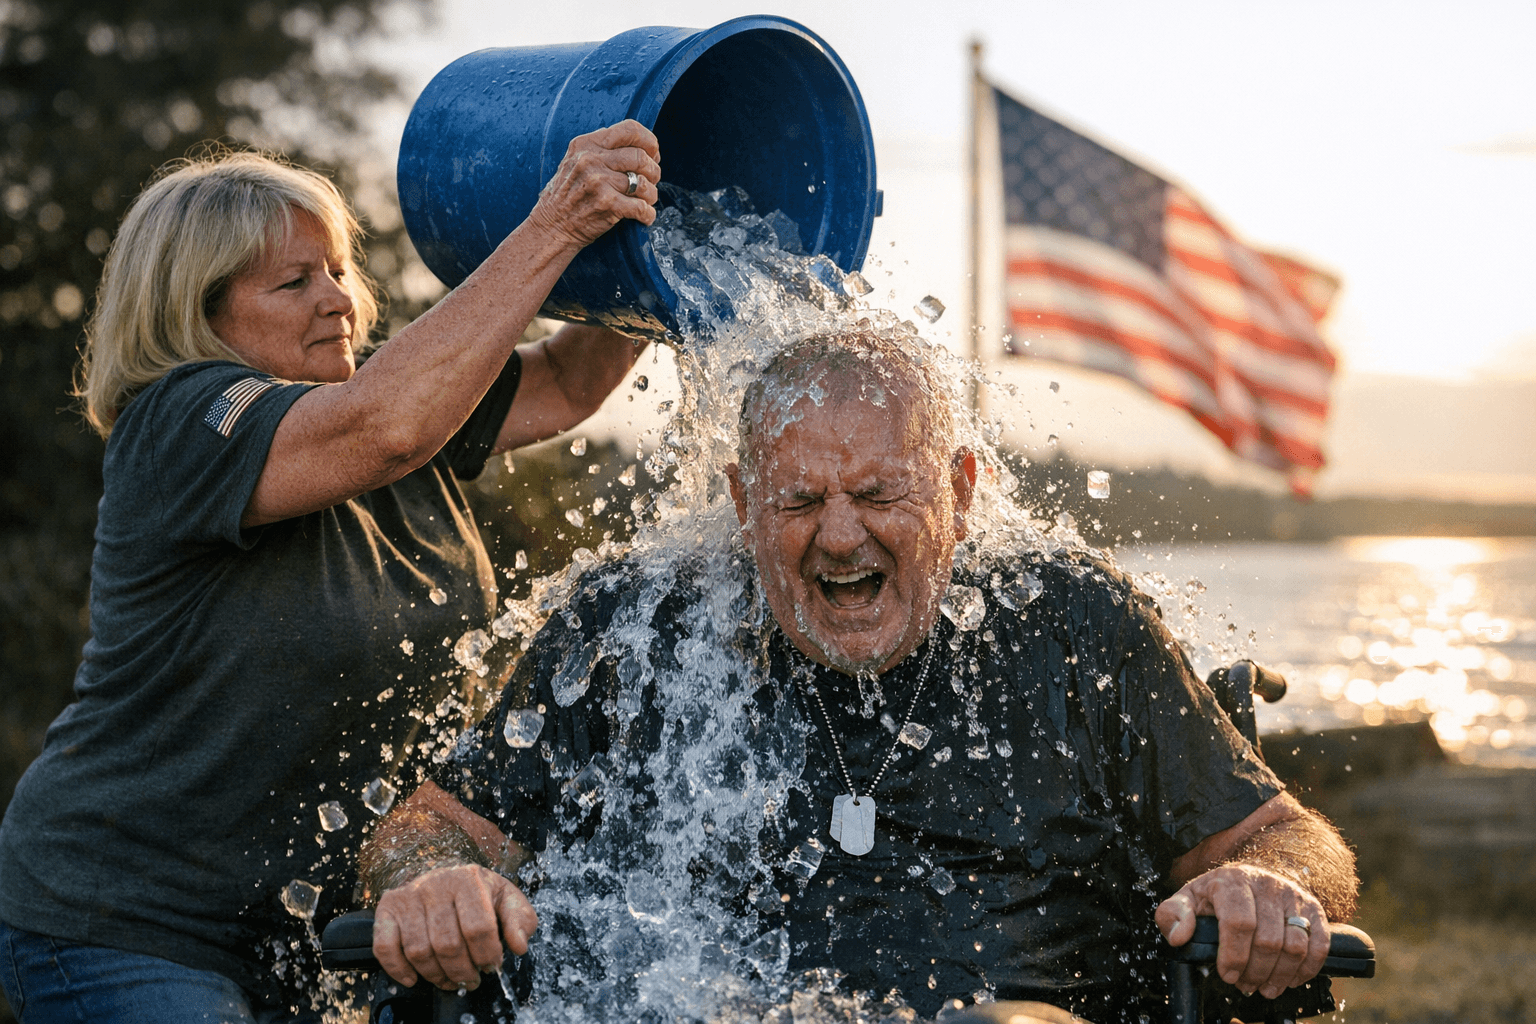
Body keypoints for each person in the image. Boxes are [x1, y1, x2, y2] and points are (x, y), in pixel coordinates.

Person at [356, 330, 1360, 1024]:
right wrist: (432, 878)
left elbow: (1281, 835)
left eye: (880, 493)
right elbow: (432, 823)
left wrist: (1271, 885)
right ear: (744, 501)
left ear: (961, 492)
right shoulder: (640, 629)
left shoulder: (1069, 621)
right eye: (800, 501)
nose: (841, 536)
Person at [0, 121, 661, 1023]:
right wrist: (557, 224)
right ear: (199, 313)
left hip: (298, 937)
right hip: (124, 920)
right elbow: (383, 424)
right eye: (293, 282)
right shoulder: (181, 424)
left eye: (339, 271)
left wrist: (665, 237)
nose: (339, 301)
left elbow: (569, 381)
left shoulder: (405, 416)